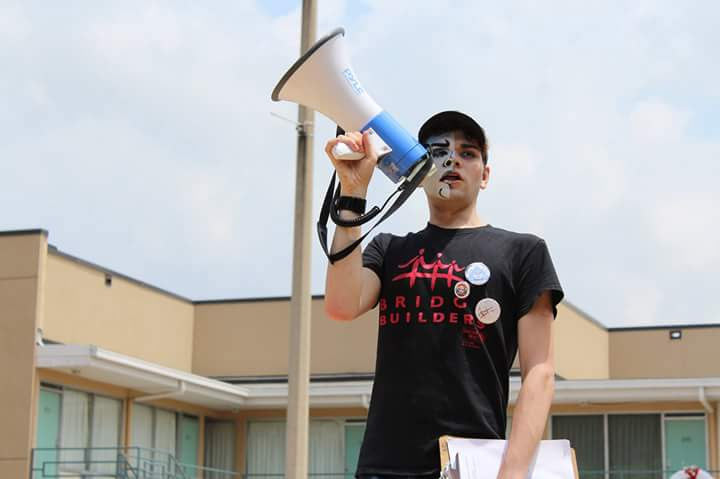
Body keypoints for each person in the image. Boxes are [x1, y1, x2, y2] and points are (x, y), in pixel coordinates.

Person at [323, 111, 564, 479]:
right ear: (420, 171)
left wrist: (512, 471)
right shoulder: (388, 250)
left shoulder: (523, 253)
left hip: (475, 464)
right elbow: (341, 305)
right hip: (385, 467)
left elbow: (540, 371)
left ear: (485, 175)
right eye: (438, 152)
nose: (452, 160)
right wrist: (352, 192)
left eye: (468, 153)